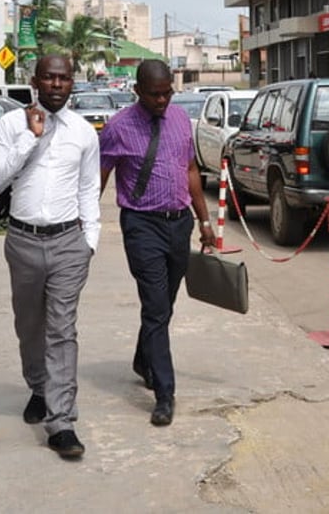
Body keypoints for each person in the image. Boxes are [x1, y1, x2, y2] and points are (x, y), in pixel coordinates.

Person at [0, 55, 101, 461]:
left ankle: (61, 420)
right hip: (23, 241)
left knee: (61, 329)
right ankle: (38, 386)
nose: (56, 84)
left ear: (72, 82)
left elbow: (89, 189)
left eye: (63, 78)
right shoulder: (11, 125)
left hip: (69, 242)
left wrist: (91, 241)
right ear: (34, 81)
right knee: (29, 324)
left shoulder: (84, 133)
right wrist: (29, 139)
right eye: (49, 77)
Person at [99, 59, 216, 427]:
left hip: (178, 224)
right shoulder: (118, 128)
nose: (162, 99)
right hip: (141, 225)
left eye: (167, 92)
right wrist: (84, 225)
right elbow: (97, 178)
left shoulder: (181, 120)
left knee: (164, 305)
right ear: (138, 91)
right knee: (154, 305)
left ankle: (142, 358)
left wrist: (205, 220)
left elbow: (191, 169)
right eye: (155, 94)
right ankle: (164, 394)